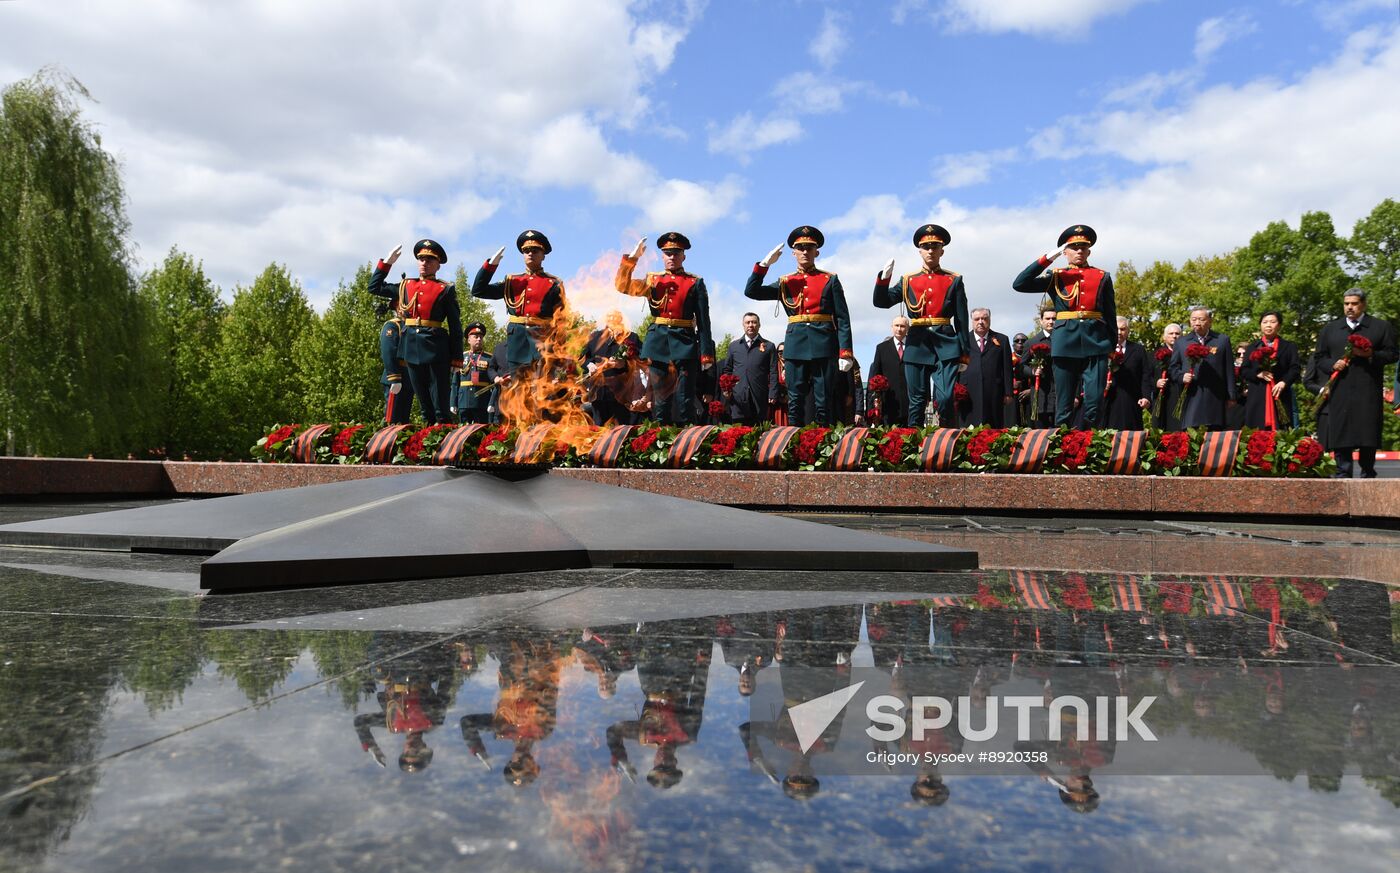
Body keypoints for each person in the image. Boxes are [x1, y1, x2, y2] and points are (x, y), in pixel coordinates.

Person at [745, 225, 855, 425]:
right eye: (801, 248)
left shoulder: (829, 280)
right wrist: (764, 265)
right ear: (793, 253)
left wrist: (845, 351)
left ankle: (823, 442)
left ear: (817, 252)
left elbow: (842, 318)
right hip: (795, 345)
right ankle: (794, 441)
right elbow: (752, 291)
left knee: (824, 400)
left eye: (809, 248)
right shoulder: (786, 282)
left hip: (824, 344)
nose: (805, 252)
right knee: (795, 399)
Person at [1012, 225, 1117, 427]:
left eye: (1083, 247)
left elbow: (1110, 314)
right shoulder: (1057, 275)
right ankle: (1063, 443)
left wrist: (1110, 346)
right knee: (1064, 402)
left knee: (1095, 400)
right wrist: (1048, 258)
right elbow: (1020, 284)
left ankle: (1090, 441)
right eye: (1074, 247)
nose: (1079, 251)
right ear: (1065, 251)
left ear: (1089, 251)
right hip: (1065, 343)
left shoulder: (1102, 276)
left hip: (1096, 342)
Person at [872, 224, 969, 427]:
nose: (931, 251)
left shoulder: (954, 280)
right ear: (920, 251)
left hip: (945, 343)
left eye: (935, 246)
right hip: (917, 343)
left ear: (942, 250)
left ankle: (947, 440)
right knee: (916, 400)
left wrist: (964, 352)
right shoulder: (908, 280)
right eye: (926, 247)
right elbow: (882, 302)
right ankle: (914, 444)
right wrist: (884, 279)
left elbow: (961, 319)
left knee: (944, 399)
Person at [615, 232, 716, 424]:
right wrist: (633, 259)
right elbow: (622, 286)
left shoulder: (695, 282)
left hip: (685, 343)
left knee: (685, 398)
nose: (672, 257)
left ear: (683, 256)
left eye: (676, 253)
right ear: (662, 256)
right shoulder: (653, 280)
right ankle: (661, 442)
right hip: (658, 343)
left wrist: (706, 355)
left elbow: (704, 321)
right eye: (668, 253)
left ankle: (686, 443)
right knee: (660, 400)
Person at [369, 239, 464, 424]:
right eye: (421, 259)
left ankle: (444, 439)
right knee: (424, 406)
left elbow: (455, 326)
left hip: (436, 348)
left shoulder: (445, 289)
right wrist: (386, 263)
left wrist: (457, 357)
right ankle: (427, 443)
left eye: (429, 260)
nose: (424, 263)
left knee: (440, 406)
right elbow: (375, 287)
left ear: (438, 265)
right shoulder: (406, 286)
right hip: (411, 348)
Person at [1308, 289, 1398, 478]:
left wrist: (1371, 355)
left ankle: (1367, 471)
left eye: (1354, 303)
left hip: (1368, 389)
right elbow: (1319, 358)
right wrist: (1332, 364)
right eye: (1346, 303)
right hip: (1339, 389)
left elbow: (1393, 354)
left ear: (1363, 304)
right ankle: (1343, 472)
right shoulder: (1330, 329)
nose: (1350, 307)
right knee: (1341, 431)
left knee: (1368, 431)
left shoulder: (1380, 327)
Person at [472, 230, 567, 372]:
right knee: (517, 391)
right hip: (517, 344)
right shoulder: (512, 281)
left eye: (535, 250)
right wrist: (491, 265)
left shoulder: (554, 283)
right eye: (526, 250)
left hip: (542, 342)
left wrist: (561, 351)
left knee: (542, 391)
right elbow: (478, 290)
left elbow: (561, 319)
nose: (530, 253)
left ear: (543, 256)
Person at [1170, 306, 1235, 430]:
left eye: (1201, 319)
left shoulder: (1222, 340)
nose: (1197, 323)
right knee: (1192, 431)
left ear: (1210, 321)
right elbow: (1173, 368)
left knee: (1214, 433)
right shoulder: (1182, 342)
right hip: (1191, 395)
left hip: (1215, 396)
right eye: (1193, 319)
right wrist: (1181, 376)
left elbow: (1229, 370)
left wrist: (1231, 395)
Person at [1239, 311, 1300, 431]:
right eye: (1265, 322)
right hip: (1257, 395)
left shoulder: (1288, 346)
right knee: (1257, 432)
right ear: (1260, 325)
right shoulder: (1253, 347)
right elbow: (1244, 370)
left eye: (1272, 322)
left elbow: (1295, 368)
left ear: (1279, 325)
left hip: (1280, 393)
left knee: (1282, 430)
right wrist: (1258, 374)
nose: (1268, 325)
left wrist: (1284, 382)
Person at [580, 316, 643, 425]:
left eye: (616, 317)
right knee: (599, 429)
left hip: (623, 394)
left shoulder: (631, 338)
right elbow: (583, 359)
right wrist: (589, 365)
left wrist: (625, 365)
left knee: (624, 430)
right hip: (599, 393)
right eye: (610, 317)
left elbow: (643, 361)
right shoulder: (594, 337)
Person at [960, 307, 1013, 427]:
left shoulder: (1002, 340)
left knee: (993, 426)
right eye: (977, 319)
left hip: (994, 391)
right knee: (969, 427)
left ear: (990, 320)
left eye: (984, 318)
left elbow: (1007, 368)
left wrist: (1008, 392)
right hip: (968, 392)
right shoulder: (963, 341)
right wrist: (957, 389)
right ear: (972, 321)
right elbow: (959, 366)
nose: (980, 322)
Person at [721, 313, 779, 425]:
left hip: (759, 396)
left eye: (754, 322)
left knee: (759, 431)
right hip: (738, 397)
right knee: (738, 430)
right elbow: (727, 370)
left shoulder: (769, 346)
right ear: (743, 325)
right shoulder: (734, 346)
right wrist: (726, 389)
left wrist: (773, 393)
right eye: (748, 322)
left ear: (759, 325)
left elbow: (773, 372)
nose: (751, 325)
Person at [1102, 316, 1152, 431]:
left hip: (1131, 400)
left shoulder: (1138, 350)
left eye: (1123, 329)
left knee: (1131, 436)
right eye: (1117, 329)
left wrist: (1146, 397)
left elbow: (1145, 375)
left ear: (1128, 331)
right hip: (1108, 399)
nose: (1119, 332)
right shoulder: (1103, 349)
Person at [377, 302, 415, 424]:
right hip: (396, 377)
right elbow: (388, 352)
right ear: (398, 307)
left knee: (403, 420)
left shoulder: (411, 326)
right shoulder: (393, 326)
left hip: (409, 378)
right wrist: (395, 378)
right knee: (391, 420)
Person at [1018, 308, 1058, 427]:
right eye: (1047, 318)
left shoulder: (1063, 340)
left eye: (1054, 319)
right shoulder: (1032, 342)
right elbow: (1021, 367)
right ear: (1041, 321)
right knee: (1040, 433)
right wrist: (1032, 371)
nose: (1051, 322)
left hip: (1059, 394)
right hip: (1040, 395)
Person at [868, 316, 911, 425]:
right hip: (888, 402)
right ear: (892, 327)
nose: (899, 329)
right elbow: (875, 376)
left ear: (907, 328)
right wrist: (874, 400)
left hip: (910, 401)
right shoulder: (881, 348)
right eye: (896, 325)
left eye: (902, 326)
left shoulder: (915, 347)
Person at [451, 322, 493, 424]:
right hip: (463, 401)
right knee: (464, 432)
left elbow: (493, 384)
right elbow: (455, 382)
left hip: (482, 402)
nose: (479, 339)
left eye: (481, 337)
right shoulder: (461, 357)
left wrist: (492, 403)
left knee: (482, 432)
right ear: (469, 340)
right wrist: (453, 402)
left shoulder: (489, 358)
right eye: (476, 337)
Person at [1152, 323, 1183, 431]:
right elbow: (1147, 376)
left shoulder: (1185, 355)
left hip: (1179, 397)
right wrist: (1156, 383)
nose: (1174, 336)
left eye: (1177, 333)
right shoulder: (1154, 355)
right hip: (1161, 398)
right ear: (1164, 337)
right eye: (1171, 333)